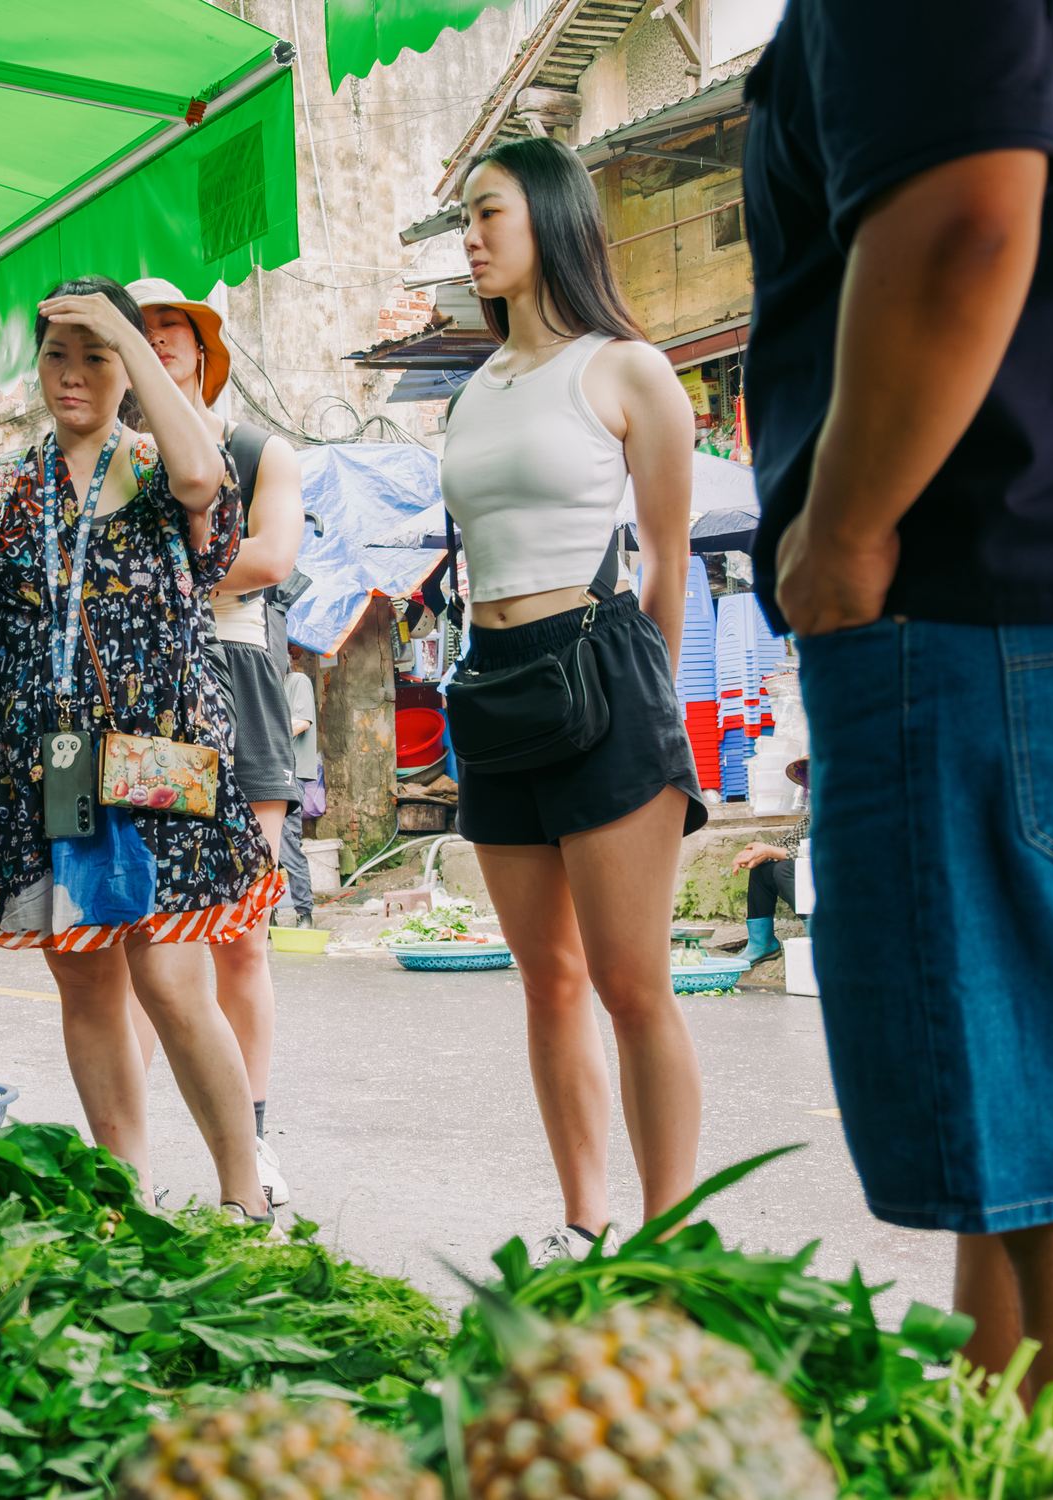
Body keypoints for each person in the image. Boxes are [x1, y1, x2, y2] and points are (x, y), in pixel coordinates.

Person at [745, 0, 1053, 1384]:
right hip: (1032, 596)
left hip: (972, 602)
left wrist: (837, 535)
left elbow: (964, 217)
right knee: (1017, 1152)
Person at [0, 275, 279, 1226]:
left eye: (96, 354)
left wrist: (126, 342)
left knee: (171, 975)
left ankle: (242, 1192)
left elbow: (205, 480)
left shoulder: (163, 462)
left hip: (155, 749)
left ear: (130, 366)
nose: (73, 374)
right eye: (56, 354)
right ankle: (124, 1199)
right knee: (83, 975)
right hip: (43, 764)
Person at [441, 137, 704, 1265]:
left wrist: (650, 705)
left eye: (487, 212)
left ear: (548, 215)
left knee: (630, 981)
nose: (469, 235)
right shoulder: (474, 387)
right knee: (546, 982)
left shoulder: (626, 369)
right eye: (463, 218)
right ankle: (583, 1223)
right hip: (494, 686)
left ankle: (668, 1236)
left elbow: (666, 557)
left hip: (602, 672)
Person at [126, 278, 305, 1211]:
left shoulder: (254, 448)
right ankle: (131, 1150)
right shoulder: (113, 461)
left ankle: (255, 1139)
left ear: (200, 350)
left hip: (237, 681)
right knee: (150, 933)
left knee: (240, 933)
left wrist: (151, 574)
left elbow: (272, 558)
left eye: (172, 332)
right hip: (148, 700)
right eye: (140, 333)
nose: (158, 345)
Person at [730, 759, 810, 966]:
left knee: (785, 869)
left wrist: (769, 851)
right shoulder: (814, 815)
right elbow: (789, 842)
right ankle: (761, 943)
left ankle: (822, 934)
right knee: (763, 867)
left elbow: (826, 852)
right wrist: (755, 851)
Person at [277, 657, 319, 929]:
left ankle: (305, 912)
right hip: (267, 774)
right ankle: (267, 913)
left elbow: (301, 722)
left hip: (290, 774)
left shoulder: (297, 682)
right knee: (263, 847)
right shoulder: (265, 689)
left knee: (288, 842)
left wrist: (264, 737)